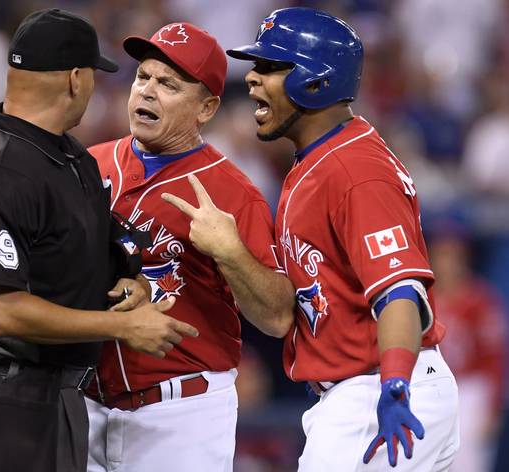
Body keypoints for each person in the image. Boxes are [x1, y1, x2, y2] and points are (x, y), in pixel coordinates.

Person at [166, 7, 460, 470]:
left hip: (377, 386)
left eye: (269, 67)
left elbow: (400, 291)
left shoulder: (355, 170)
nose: (252, 79)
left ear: (314, 81)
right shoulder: (319, 161)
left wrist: (396, 385)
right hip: (359, 388)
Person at [0, 9, 198, 472]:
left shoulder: (71, 155)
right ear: (75, 79)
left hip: (62, 397)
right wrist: (122, 327)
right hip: (0, 401)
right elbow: (5, 312)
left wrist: (131, 283)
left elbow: (97, 250)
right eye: (93, 73)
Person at [85, 22, 294, 472]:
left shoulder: (235, 193)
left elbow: (277, 318)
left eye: (168, 84)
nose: (146, 92)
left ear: (206, 108)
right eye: (143, 77)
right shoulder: (90, 165)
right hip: (87, 402)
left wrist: (231, 252)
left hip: (178, 414)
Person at [429, 222, 506, 472]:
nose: (447, 262)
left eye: (454, 255)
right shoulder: (421, 297)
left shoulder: (480, 300)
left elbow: (494, 357)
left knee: (467, 464)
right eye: (442, 254)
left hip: (470, 392)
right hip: (431, 388)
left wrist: (493, 406)